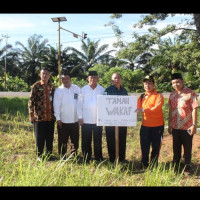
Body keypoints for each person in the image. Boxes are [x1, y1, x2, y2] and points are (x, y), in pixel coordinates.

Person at [168, 73, 198, 171]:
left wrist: (194, 125)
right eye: (173, 83)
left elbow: (194, 109)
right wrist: (169, 125)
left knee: (187, 148)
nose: (175, 84)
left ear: (182, 82)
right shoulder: (172, 95)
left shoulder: (191, 93)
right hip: (175, 127)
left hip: (187, 127)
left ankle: (187, 166)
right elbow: (170, 111)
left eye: (177, 82)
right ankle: (176, 166)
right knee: (176, 148)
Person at [135, 75, 164, 168]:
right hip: (145, 125)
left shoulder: (158, 95)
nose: (147, 85)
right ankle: (144, 164)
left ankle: (154, 165)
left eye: (150, 83)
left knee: (156, 146)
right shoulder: (141, 96)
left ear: (154, 84)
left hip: (157, 126)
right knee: (144, 146)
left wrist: (143, 110)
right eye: (145, 83)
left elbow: (157, 108)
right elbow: (136, 108)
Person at [77, 71, 105, 162]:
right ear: (88, 79)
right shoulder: (83, 89)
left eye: (95, 77)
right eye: (91, 77)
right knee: (86, 140)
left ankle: (98, 157)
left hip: (98, 119)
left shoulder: (102, 89)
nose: (93, 79)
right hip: (86, 119)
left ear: (98, 78)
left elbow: (105, 104)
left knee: (98, 140)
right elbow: (79, 104)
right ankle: (86, 157)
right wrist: (80, 117)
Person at [28, 67, 55, 161]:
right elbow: (31, 101)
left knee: (49, 137)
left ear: (49, 75)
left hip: (50, 117)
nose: (45, 75)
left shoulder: (52, 87)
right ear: (40, 74)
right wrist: (31, 115)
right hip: (39, 117)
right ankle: (39, 155)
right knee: (39, 137)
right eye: (43, 73)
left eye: (47, 74)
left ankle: (49, 154)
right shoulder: (36, 86)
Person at [53, 72, 80, 159]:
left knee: (75, 138)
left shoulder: (76, 88)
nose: (65, 80)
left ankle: (74, 154)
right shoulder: (59, 91)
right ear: (61, 80)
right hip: (63, 120)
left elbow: (80, 102)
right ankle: (62, 155)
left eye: (67, 78)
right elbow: (56, 106)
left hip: (75, 119)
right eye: (63, 79)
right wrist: (58, 118)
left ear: (70, 79)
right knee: (62, 139)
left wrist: (80, 116)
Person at [104, 73, 128, 163]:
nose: (117, 80)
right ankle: (112, 159)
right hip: (110, 120)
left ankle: (122, 159)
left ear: (121, 79)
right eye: (114, 78)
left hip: (122, 120)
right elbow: (105, 104)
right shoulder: (108, 90)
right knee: (111, 140)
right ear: (112, 80)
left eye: (118, 78)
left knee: (122, 139)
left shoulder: (124, 91)